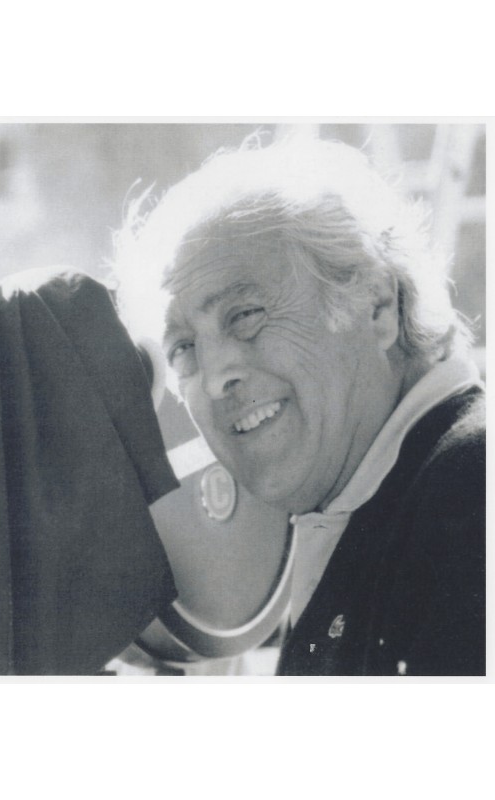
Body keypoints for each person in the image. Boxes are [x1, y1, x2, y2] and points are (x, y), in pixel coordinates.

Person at [112, 135, 485, 676]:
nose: (214, 378)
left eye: (245, 315)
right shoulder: (362, 500)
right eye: (184, 349)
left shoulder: (471, 496)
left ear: (377, 305)